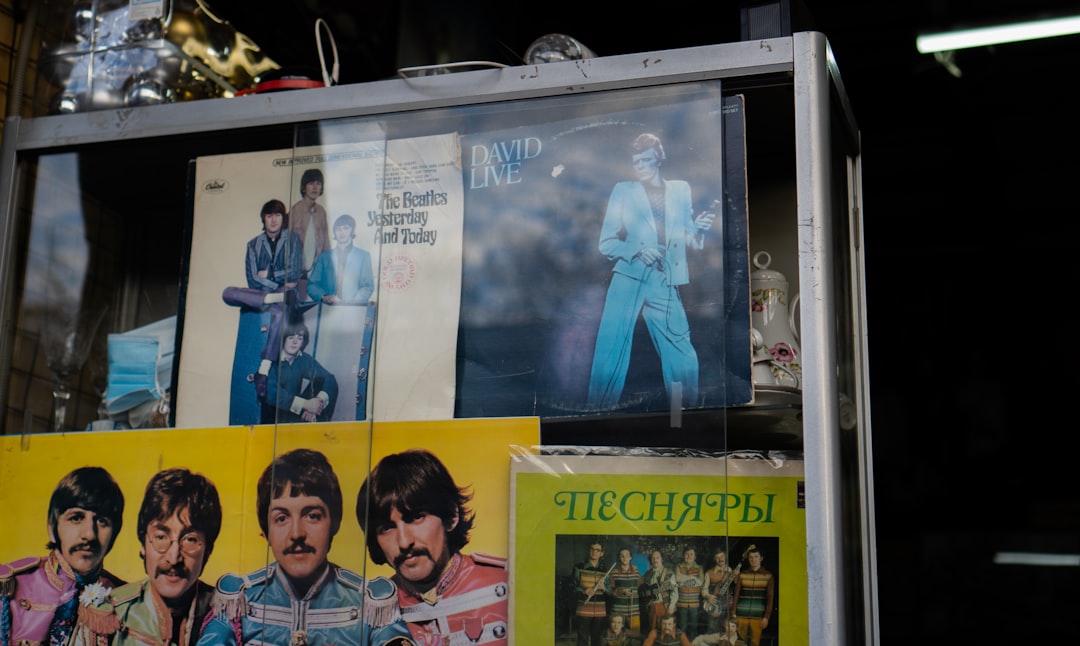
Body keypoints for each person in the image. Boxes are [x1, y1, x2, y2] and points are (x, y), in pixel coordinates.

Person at [197, 449, 412, 646]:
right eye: (281, 518)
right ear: (266, 531)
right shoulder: (238, 601)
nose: (297, 534)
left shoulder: (371, 603)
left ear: (334, 524)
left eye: (312, 516)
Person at [587, 132, 716, 411]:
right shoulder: (623, 189)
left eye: (646, 160)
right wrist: (636, 250)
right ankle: (597, 416)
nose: (641, 166)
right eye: (636, 162)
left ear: (659, 158)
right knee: (611, 346)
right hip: (628, 275)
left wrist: (699, 230)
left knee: (680, 349)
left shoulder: (681, 190)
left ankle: (683, 416)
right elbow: (606, 242)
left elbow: (689, 240)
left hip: (664, 277)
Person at [355, 449, 508, 646]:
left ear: (451, 516)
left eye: (416, 518)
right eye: (387, 528)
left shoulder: (507, 582)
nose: (404, 542)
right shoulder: (371, 609)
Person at [69, 468, 223, 646]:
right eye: (160, 537)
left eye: (190, 540)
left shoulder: (226, 615)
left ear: (208, 551)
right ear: (143, 545)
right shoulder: (106, 614)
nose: (173, 559)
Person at [0, 466, 126, 646]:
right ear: (52, 528)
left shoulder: (125, 601)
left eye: (102, 521)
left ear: (114, 535)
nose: (89, 534)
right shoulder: (10, 587)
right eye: (76, 518)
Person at [221, 198, 306, 406]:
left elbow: (294, 272)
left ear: (282, 218)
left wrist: (267, 275)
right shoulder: (253, 244)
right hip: (270, 295)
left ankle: (264, 369)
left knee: (279, 310)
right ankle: (273, 299)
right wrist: (275, 284)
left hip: (286, 294)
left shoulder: (293, 239)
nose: (273, 220)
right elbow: (251, 279)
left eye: (277, 215)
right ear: (264, 219)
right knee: (228, 293)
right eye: (269, 216)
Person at [261, 321, 338, 424]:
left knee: (320, 380)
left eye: (300, 338)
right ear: (283, 339)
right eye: (291, 337)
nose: (295, 342)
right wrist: (306, 404)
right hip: (271, 417)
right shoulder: (272, 358)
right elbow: (271, 393)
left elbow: (330, 379)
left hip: (293, 414)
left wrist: (318, 402)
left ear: (303, 343)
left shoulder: (303, 358)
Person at [306, 214, 375, 305]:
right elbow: (311, 285)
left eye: (346, 228)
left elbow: (367, 286)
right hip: (328, 310)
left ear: (352, 230)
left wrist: (353, 302)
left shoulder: (363, 256)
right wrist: (325, 296)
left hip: (354, 309)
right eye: (338, 229)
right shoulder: (324, 257)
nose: (342, 233)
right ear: (334, 232)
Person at [289, 168, 331, 300]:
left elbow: (326, 244)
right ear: (303, 187)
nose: (315, 187)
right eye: (311, 183)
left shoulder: (321, 212)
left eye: (318, 183)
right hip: (298, 273)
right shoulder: (295, 210)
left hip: (316, 271)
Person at [732, 547, 773, 646]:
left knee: (755, 643)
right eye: (750, 557)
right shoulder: (742, 575)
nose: (753, 559)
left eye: (756, 557)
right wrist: (733, 613)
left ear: (761, 558)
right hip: (741, 615)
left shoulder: (768, 576)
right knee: (740, 643)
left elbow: (770, 598)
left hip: (758, 617)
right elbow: (736, 595)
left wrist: (766, 617)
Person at [571, 540, 610, 646]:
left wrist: (604, 588)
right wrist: (584, 590)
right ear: (589, 551)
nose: (594, 552)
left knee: (597, 640)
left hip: (600, 611)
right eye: (592, 549)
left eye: (598, 550)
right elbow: (572, 587)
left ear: (602, 553)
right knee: (582, 639)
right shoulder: (579, 567)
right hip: (583, 609)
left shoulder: (605, 570)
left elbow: (609, 590)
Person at [700, 548, 737, 634]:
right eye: (717, 557)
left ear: (725, 557)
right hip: (714, 605)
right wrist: (708, 596)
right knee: (713, 629)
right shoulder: (709, 573)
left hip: (728, 606)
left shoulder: (731, 571)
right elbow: (704, 590)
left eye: (722, 556)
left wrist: (736, 577)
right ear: (714, 559)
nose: (720, 559)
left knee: (727, 630)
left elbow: (736, 586)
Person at [607, 547, 642, 633]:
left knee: (634, 636)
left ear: (630, 557)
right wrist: (622, 591)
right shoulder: (614, 572)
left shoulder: (636, 572)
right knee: (617, 635)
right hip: (618, 611)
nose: (625, 558)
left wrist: (634, 592)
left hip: (633, 610)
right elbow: (610, 590)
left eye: (627, 555)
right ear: (619, 558)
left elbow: (641, 589)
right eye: (622, 556)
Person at [641, 550, 675, 632]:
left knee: (665, 629)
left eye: (657, 557)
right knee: (652, 630)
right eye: (653, 558)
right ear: (650, 560)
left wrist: (672, 606)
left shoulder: (669, 572)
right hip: (651, 607)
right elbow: (644, 590)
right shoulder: (647, 574)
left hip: (664, 605)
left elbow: (675, 591)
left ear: (662, 559)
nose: (655, 560)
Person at [674, 547, 704, 638]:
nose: (689, 556)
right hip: (681, 603)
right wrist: (693, 579)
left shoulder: (699, 568)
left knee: (693, 628)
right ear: (683, 556)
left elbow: (700, 582)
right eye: (686, 554)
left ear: (695, 557)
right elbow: (677, 580)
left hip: (694, 604)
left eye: (691, 554)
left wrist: (684, 579)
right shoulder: (678, 566)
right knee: (682, 627)